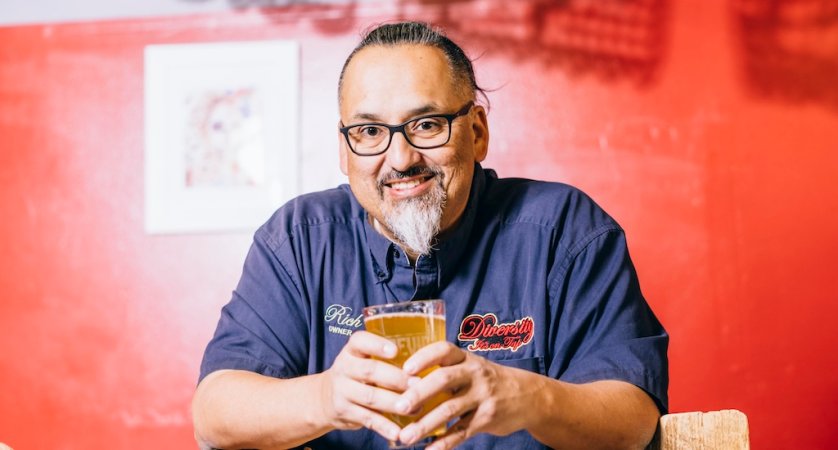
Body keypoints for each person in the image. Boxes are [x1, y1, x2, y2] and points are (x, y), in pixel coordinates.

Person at [192, 21, 668, 450]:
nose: (400, 158)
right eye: (370, 131)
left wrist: (528, 398)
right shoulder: (299, 240)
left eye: (426, 125)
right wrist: (324, 396)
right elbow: (214, 413)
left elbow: (636, 421)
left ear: (477, 131)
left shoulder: (564, 231)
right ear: (345, 149)